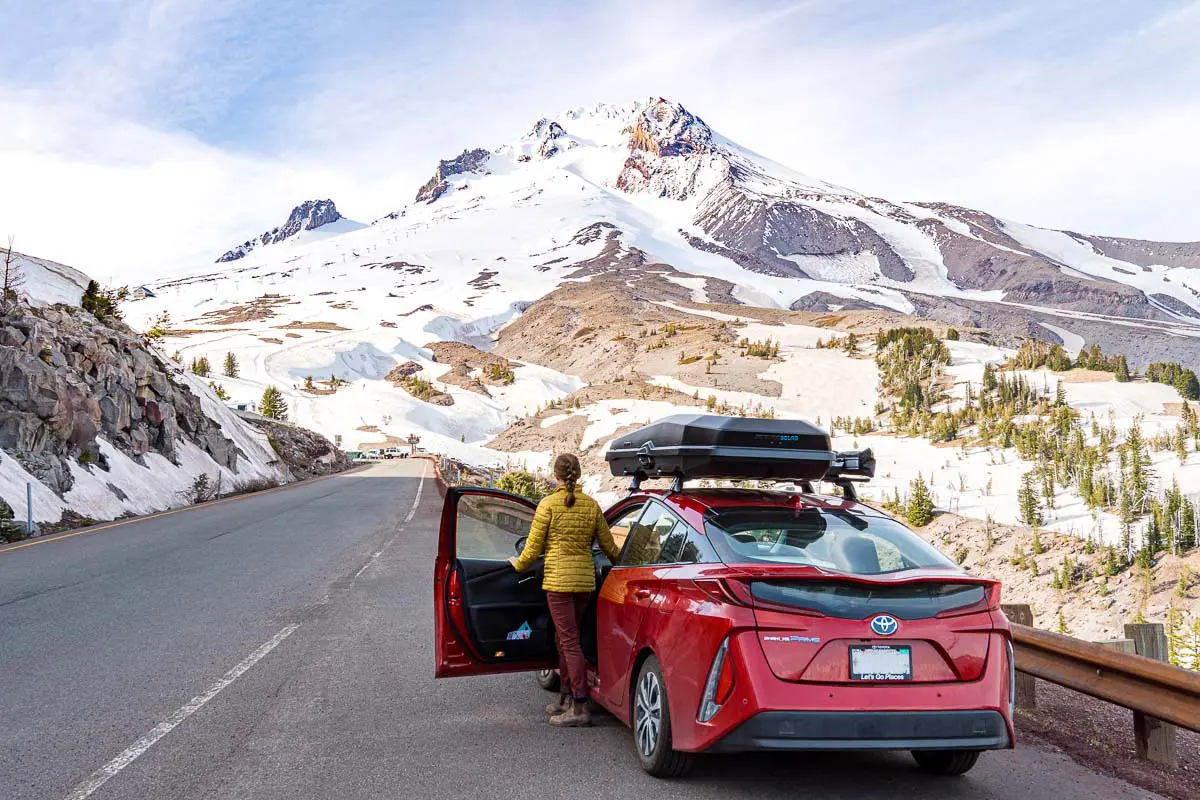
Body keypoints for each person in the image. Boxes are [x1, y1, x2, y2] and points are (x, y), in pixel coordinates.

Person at [509, 453, 619, 727]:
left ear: (556, 475)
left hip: (558, 584)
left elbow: (532, 549)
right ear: (578, 474)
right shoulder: (591, 506)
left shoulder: (548, 505)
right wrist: (632, 563)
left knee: (569, 642)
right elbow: (609, 548)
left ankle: (580, 708)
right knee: (565, 639)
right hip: (583, 583)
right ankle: (566, 699)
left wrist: (516, 564)